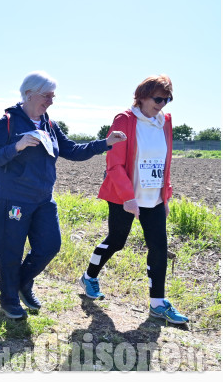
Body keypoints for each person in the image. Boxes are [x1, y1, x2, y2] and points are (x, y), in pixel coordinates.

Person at [0, 70, 127, 319]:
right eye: (47, 96)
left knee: (50, 245)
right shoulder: (7, 121)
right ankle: (8, 300)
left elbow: (71, 149)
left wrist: (105, 143)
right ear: (29, 94)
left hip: (43, 199)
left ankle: (21, 283)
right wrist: (17, 145)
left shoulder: (49, 124)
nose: (51, 100)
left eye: (53, 96)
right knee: (10, 250)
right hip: (14, 199)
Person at [79, 75, 188, 324]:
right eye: (158, 98)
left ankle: (157, 304)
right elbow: (114, 163)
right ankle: (89, 276)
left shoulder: (164, 122)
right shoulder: (125, 120)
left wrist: (166, 196)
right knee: (117, 241)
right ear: (141, 97)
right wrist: (128, 197)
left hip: (154, 198)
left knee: (159, 248)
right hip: (124, 196)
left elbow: (165, 163)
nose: (162, 104)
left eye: (167, 99)